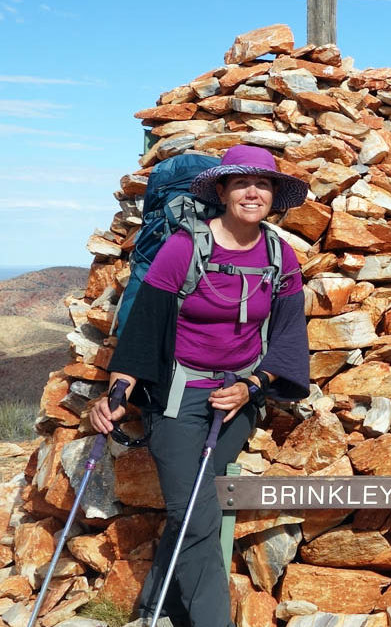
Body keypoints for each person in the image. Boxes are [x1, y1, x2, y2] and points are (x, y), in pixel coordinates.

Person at [90, 144, 311, 627]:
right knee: (196, 517)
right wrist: (118, 391)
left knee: (193, 511)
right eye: (240, 183)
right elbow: (145, 326)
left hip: (237, 399)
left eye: (264, 184)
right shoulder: (184, 248)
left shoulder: (280, 254)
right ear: (222, 190)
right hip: (177, 395)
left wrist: (254, 385)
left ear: (274, 195)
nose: (253, 192)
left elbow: (291, 337)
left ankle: (158, 608)